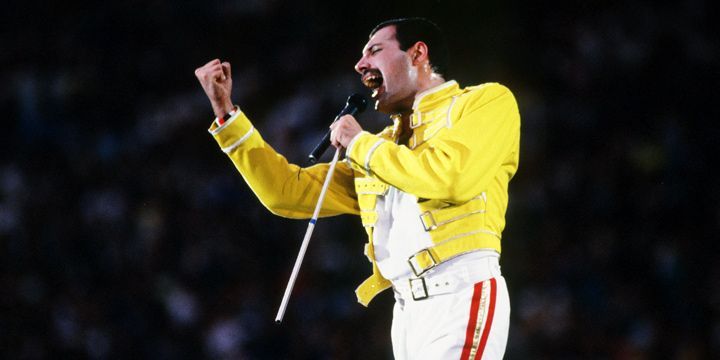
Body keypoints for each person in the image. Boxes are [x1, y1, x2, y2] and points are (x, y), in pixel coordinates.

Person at [195, 17, 520, 360]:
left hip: (460, 294)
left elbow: (450, 178)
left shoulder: (484, 103)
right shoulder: (380, 148)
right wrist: (227, 115)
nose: (360, 64)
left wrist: (359, 143)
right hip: (405, 314)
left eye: (375, 51)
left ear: (418, 53)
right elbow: (287, 192)